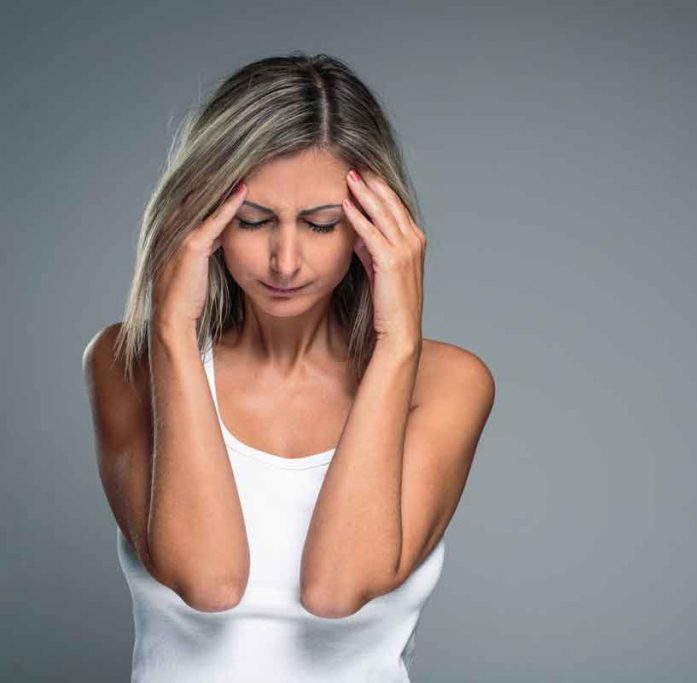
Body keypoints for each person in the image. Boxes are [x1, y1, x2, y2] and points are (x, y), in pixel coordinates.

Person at [81, 52, 495, 682]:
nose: (285, 262)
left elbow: (338, 589)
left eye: (322, 225)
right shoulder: (129, 361)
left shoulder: (447, 383)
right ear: (201, 220)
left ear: (375, 228)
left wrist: (398, 342)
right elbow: (209, 581)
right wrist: (170, 327)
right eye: (252, 221)